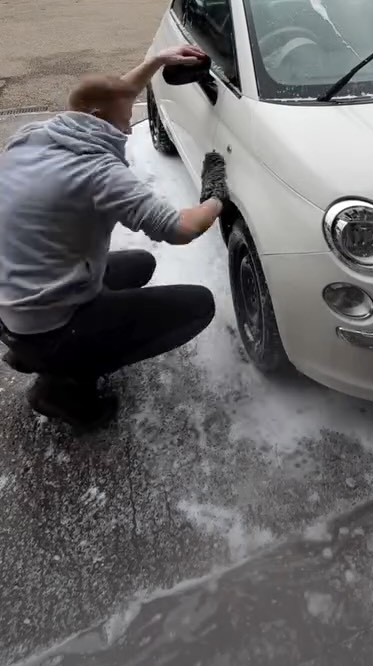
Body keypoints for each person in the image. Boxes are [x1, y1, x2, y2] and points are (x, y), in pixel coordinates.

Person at [0, 45, 223, 430]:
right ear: (97, 118)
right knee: (199, 305)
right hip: (46, 324)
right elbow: (180, 228)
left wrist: (155, 62)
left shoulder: (31, 137)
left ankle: (31, 350)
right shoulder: (98, 172)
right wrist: (215, 195)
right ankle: (61, 385)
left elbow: (115, 94)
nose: (127, 130)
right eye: (124, 124)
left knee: (140, 263)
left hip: (12, 304)